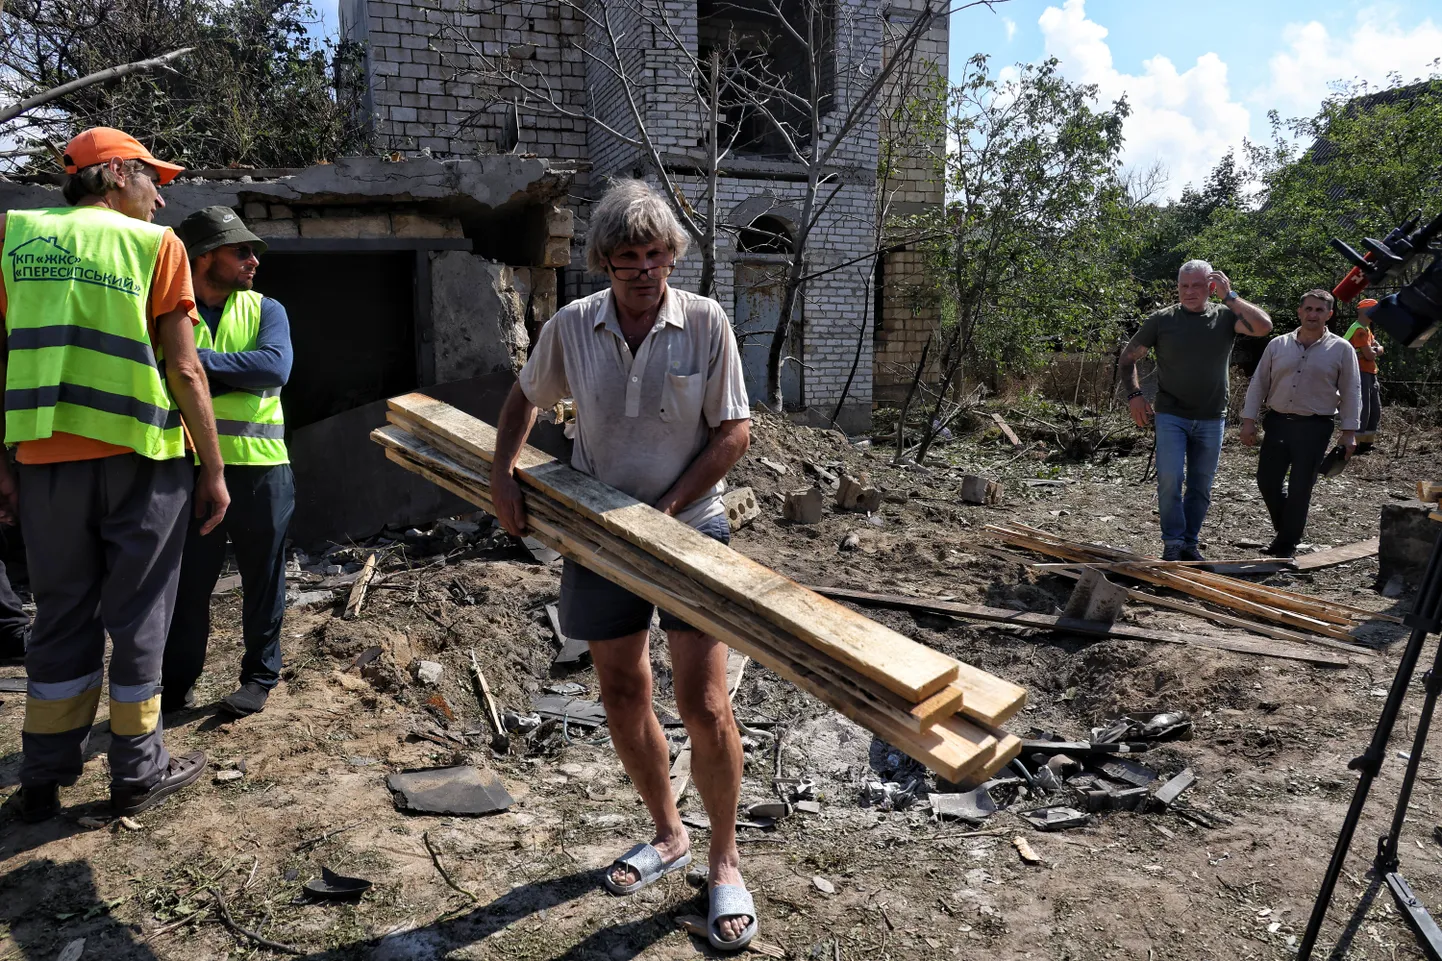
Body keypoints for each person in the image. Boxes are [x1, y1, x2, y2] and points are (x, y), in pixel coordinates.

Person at [490, 180, 756, 951]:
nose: (643, 270)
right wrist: (502, 473)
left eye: (656, 254)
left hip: (690, 529)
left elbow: (735, 431)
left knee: (705, 703)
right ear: (603, 263)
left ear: (673, 255)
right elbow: (522, 398)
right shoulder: (573, 326)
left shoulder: (705, 322)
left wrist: (667, 511)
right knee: (618, 689)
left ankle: (723, 858)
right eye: (626, 258)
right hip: (599, 531)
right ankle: (669, 832)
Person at [0, 127, 229, 822]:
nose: (160, 198)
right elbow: (185, 369)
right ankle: (136, 770)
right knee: (139, 617)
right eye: (151, 180)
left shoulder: (13, 237)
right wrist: (213, 468)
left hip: (43, 460)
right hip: (141, 457)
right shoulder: (155, 248)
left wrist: (2, 465)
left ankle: (42, 774)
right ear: (117, 174)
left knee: (61, 612)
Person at [162, 207, 294, 717]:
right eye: (241, 250)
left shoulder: (267, 309)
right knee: (188, 583)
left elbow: (273, 368)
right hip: (190, 469)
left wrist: (191, 365)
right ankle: (177, 685)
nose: (253, 260)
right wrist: (197, 369)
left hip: (263, 468)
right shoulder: (169, 309)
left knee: (265, 578)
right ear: (203, 257)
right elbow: (160, 368)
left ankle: (259, 677)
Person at [1119, 259, 1273, 561]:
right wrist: (1135, 394)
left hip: (1212, 416)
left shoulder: (1226, 317)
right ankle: (1173, 543)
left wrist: (1231, 297)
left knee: (1201, 485)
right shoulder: (1161, 320)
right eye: (1183, 286)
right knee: (1170, 479)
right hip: (1171, 415)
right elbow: (1128, 359)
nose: (1189, 292)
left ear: (1211, 286)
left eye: (1197, 285)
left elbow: (1263, 327)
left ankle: (1190, 543)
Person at [1240, 289, 1362, 557]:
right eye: (1308, 309)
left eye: (1320, 310)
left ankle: (1285, 544)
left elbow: (1352, 391)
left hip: (1314, 427)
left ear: (1329, 315)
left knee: (1300, 486)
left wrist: (1349, 432)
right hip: (1278, 422)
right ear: (1299, 311)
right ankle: (1290, 531)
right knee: (1267, 481)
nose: (1313, 315)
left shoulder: (1341, 349)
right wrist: (1248, 420)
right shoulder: (1278, 345)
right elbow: (1259, 383)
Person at [1345, 298, 1383, 455]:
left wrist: (1376, 349)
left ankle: (1367, 444)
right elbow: (1370, 355)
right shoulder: (1359, 330)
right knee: (1364, 409)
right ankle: (1356, 445)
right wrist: (1374, 350)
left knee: (1375, 409)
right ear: (1364, 311)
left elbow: (1378, 348)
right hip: (1359, 372)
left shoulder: (1366, 329)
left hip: (1369, 372)